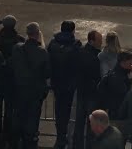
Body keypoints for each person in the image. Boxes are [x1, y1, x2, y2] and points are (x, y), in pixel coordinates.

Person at [10, 22, 51, 149]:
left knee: (18, 118)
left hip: (20, 90)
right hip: (35, 92)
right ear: (38, 34)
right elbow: (47, 73)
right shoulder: (42, 52)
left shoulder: (17, 48)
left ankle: (16, 142)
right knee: (32, 120)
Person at [47, 20, 81, 149]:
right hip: (70, 84)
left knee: (59, 109)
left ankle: (60, 135)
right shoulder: (75, 44)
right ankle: (64, 135)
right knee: (67, 110)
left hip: (56, 83)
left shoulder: (53, 44)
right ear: (72, 30)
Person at [74, 30, 103, 149]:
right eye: (99, 41)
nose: (101, 43)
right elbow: (96, 76)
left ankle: (77, 146)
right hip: (91, 94)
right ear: (92, 41)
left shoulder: (80, 52)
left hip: (81, 92)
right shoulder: (96, 56)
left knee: (79, 124)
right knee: (91, 125)